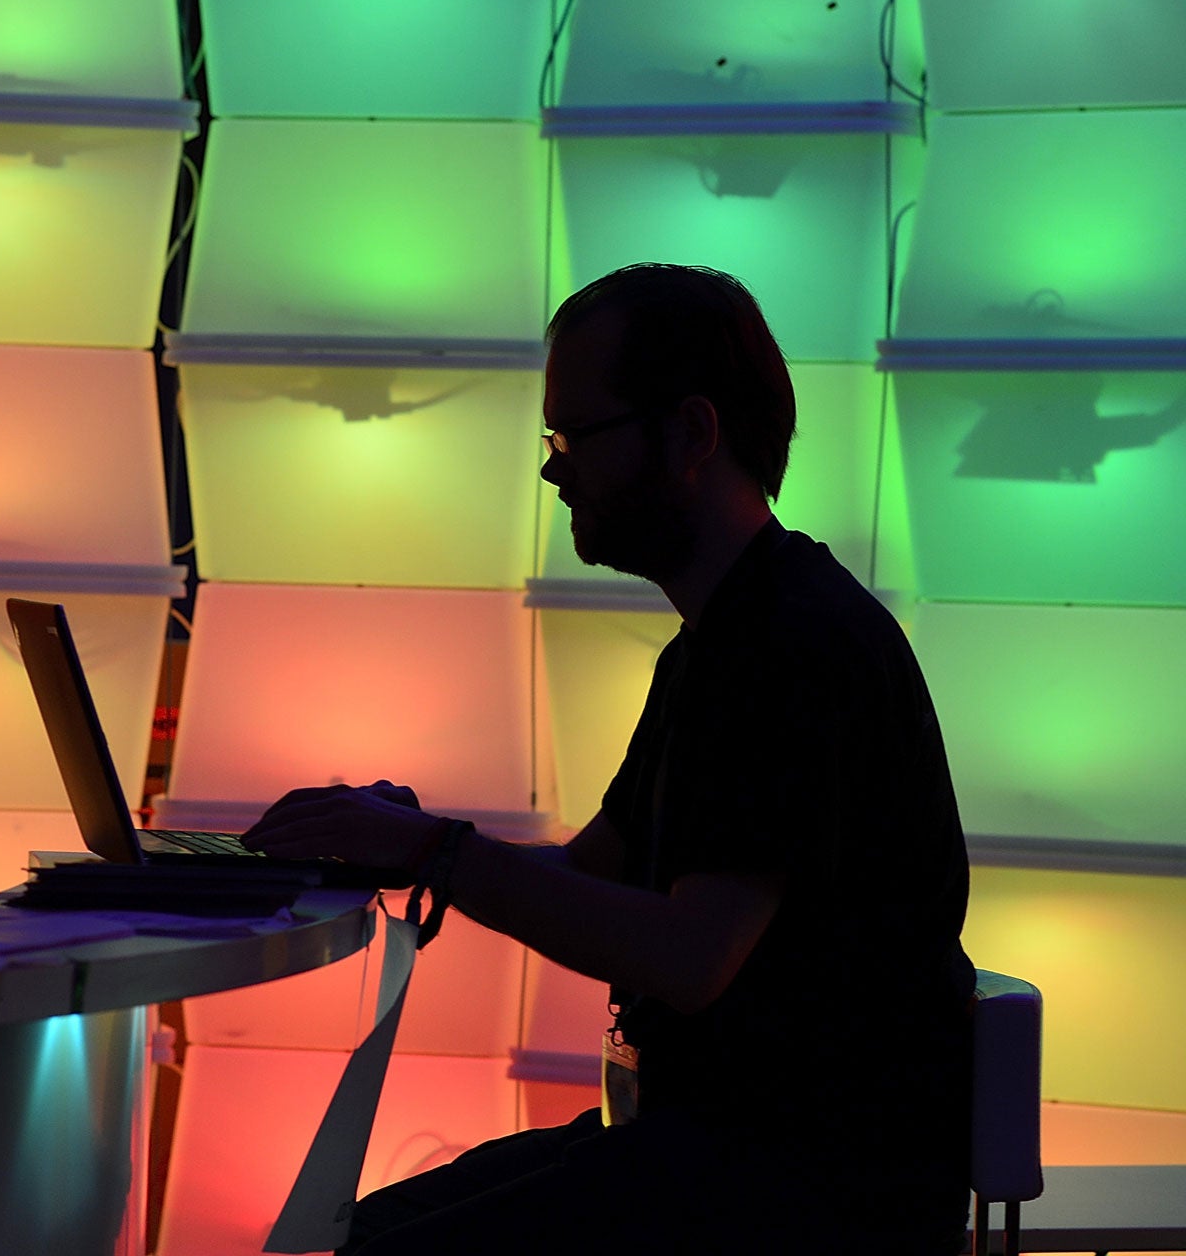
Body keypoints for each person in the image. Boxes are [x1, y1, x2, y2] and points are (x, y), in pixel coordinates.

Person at [242, 264, 974, 1255]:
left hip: (791, 1190)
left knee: (373, 1245)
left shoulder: (787, 648)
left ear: (690, 435)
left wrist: (436, 853)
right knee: (367, 1234)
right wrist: (403, 843)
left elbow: (684, 956)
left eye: (574, 436)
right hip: (726, 1157)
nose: (553, 469)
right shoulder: (733, 637)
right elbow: (595, 875)